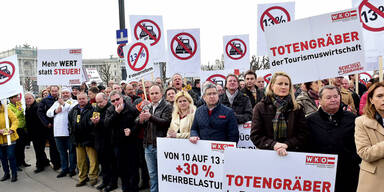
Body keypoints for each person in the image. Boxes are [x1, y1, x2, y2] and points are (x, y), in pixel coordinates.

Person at [306, 85, 360, 192]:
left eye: (336, 96)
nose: (333, 100)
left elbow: (359, 144)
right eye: (329, 97)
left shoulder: (353, 119)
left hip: (348, 174)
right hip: (321, 175)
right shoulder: (309, 121)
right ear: (320, 100)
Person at [250, 72, 308, 156]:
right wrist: (274, 145)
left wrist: (287, 144)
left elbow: (303, 134)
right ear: (272, 86)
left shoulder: (297, 108)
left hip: (292, 154)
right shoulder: (260, 107)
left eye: (286, 84)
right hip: (266, 154)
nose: (283, 87)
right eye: (280, 83)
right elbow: (256, 135)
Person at [137, 85, 172, 192]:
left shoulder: (167, 106)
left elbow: (166, 123)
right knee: (152, 174)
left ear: (161, 93)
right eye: (152, 93)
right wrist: (140, 120)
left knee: (164, 173)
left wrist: (150, 117)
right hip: (148, 145)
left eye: (156, 93)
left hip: (160, 145)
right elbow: (137, 121)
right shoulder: (147, 106)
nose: (154, 95)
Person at [105, 91, 141, 192]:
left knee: (133, 167)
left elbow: (138, 122)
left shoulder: (131, 108)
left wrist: (131, 130)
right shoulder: (110, 110)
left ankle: (134, 187)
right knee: (122, 167)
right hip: (117, 143)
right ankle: (125, 187)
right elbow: (107, 124)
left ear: (122, 98)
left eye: (117, 99)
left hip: (131, 142)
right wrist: (117, 113)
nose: (116, 102)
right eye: (113, 101)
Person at [355, 82, 384, 192]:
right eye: (379, 96)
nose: (383, 99)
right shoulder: (361, 122)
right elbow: (364, 152)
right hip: (373, 181)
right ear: (371, 100)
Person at [68, 92, 99, 187]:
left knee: (93, 160)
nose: (81, 100)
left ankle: (93, 177)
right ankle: (82, 178)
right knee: (80, 161)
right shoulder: (74, 110)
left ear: (87, 98)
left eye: (83, 98)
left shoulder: (94, 109)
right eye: (79, 99)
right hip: (78, 139)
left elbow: (94, 124)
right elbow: (70, 122)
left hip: (89, 139)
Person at [46, 87, 78, 178]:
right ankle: (64, 169)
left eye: (67, 93)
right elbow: (48, 113)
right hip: (58, 132)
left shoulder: (74, 102)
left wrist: (63, 104)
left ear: (70, 94)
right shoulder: (56, 103)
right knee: (62, 152)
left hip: (69, 132)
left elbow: (71, 109)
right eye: (63, 93)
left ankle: (72, 169)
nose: (65, 94)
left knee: (71, 152)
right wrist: (55, 111)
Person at [91, 93, 114, 191]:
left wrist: (99, 122)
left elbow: (109, 123)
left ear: (106, 99)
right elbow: (93, 123)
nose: (99, 104)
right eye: (97, 102)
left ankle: (112, 183)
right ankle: (105, 181)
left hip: (109, 140)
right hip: (99, 140)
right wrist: (93, 122)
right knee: (103, 164)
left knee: (111, 164)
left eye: (100, 102)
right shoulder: (96, 109)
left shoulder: (111, 108)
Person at [37, 85, 61, 170]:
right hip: (51, 127)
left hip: (61, 127)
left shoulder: (61, 99)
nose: (54, 92)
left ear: (58, 91)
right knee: (53, 146)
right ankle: (55, 163)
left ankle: (62, 162)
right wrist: (46, 123)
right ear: (50, 91)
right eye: (53, 91)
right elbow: (40, 113)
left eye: (56, 91)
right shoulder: (45, 100)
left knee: (61, 146)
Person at [25, 92, 50, 173]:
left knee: (38, 150)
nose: (28, 100)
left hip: (39, 132)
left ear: (34, 98)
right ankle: (45, 162)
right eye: (26, 99)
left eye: (30, 98)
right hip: (34, 132)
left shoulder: (36, 107)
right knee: (40, 149)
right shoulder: (28, 107)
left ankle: (40, 166)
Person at [8, 94, 29, 169]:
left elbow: (22, 115)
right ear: (11, 99)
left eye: (17, 97)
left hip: (22, 128)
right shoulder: (9, 107)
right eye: (16, 97)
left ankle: (22, 161)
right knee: (17, 148)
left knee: (22, 146)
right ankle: (17, 164)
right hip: (16, 129)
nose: (18, 98)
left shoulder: (18, 104)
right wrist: (19, 111)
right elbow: (13, 117)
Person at [0, 101, 19, 182]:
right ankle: (6, 173)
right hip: (0, 141)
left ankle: (14, 174)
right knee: (2, 158)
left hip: (10, 139)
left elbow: (15, 120)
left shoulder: (7, 110)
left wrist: (11, 129)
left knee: (11, 156)